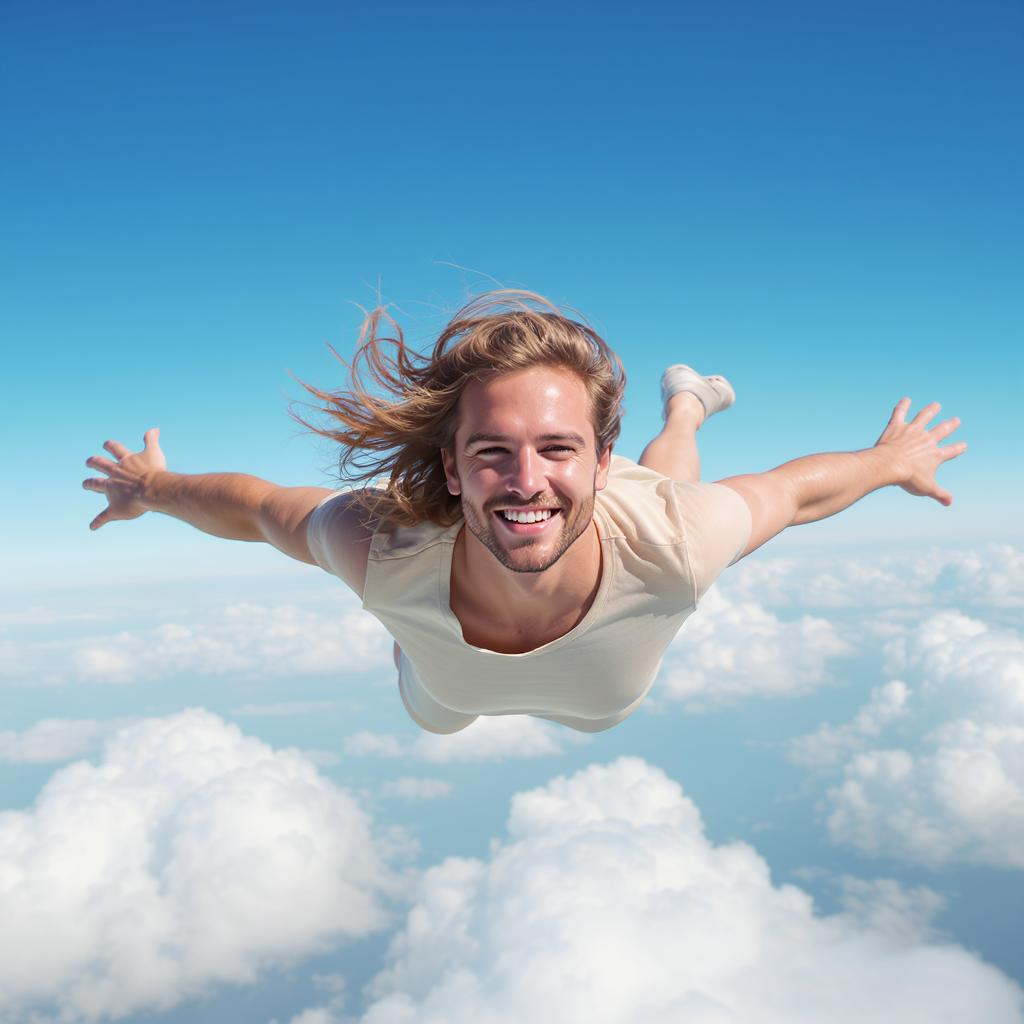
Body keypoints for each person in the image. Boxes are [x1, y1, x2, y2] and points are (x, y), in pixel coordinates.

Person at [82, 290, 966, 734]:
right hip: (443, 683)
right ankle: (418, 650)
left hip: (602, 688)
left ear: (598, 460)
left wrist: (890, 462)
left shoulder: (673, 542)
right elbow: (265, 508)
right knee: (437, 707)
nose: (525, 479)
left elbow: (795, 490)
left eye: (557, 449)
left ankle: (686, 406)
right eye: (492, 452)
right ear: (453, 470)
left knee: (675, 491)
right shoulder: (383, 546)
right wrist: (153, 488)